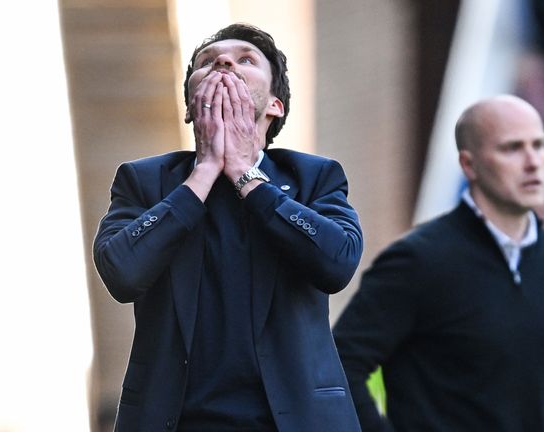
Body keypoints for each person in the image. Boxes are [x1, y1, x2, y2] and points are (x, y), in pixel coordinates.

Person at [93, 23, 363, 432]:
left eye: (245, 60)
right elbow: (122, 273)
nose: (223, 62)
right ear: (190, 107)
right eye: (207, 62)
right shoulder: (143, 180)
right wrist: (202, 174)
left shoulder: (314, 176)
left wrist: (244, 173)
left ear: (275, 106)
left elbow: (337, 262)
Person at [333, 95, 544, 431]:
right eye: (512, 148)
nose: (533, 162)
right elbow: (341, 364)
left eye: (538, 145)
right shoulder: (418, 260)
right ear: (469, 165)